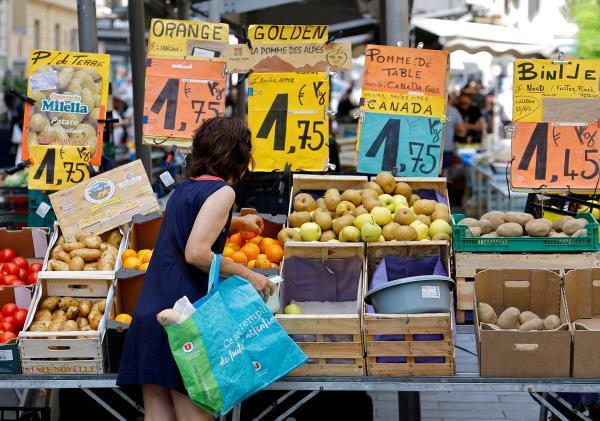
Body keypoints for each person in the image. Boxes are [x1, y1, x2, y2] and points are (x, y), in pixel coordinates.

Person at [117, 116, 276, 421]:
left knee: (158, 415)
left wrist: (236, 223)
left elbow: (187, 233)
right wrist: (249, 274)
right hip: (183, 318)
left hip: (151, 312)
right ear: (239, 155)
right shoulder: (223, 192)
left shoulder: (181, 191)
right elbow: (196, 253)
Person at [443, 95, 465, 170]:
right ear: (450, 100)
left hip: (432, 145)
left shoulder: (434, 107)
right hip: (447, 146)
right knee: (445, 170)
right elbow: (461, 128)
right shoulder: (453, 111)